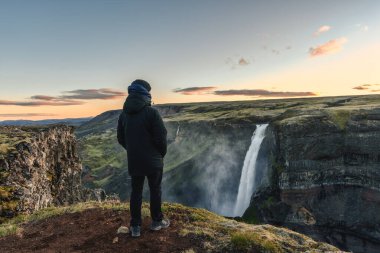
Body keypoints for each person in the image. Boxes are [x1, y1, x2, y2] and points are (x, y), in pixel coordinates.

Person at [117, 79, 169, 237]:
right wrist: (160, 154)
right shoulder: (151, 113)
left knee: (136, 192)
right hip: (153, 161)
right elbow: (161, 137)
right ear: (146, 93)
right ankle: (156, 222)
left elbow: (121, 138)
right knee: (155, 190)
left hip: (135, 160)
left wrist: (133, 150)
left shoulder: (123, 114)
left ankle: (135, 227)